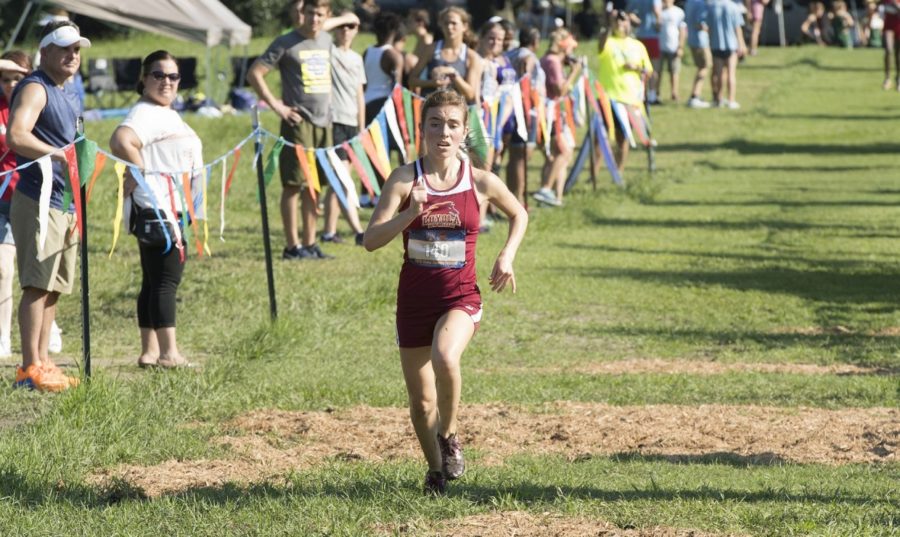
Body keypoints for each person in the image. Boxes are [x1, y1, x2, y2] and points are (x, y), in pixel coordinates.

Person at [363, 89, 527, 496]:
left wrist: (506, 256)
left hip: (460, 297)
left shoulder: (480, 181)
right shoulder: (405, 179)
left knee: (445, 355)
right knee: (421, 404)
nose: (444, 132)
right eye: (435, 123)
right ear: (422, 129)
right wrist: (409, 213)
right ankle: (436, 471)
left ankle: (449, 436)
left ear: (465, 130)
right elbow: (370, 239)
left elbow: (519, 212)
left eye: (453, 124)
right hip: (414, 303)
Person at [6, 20, 88, 391]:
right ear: (45, 52)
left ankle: (44, 363)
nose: (72, 55)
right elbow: (17, 135)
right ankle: (28, 369)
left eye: (77, 50)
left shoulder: (66, 91)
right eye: (65, 48)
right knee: (36, 285)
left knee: (54, 286)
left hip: (66, 202)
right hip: (39, 200)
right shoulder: (36, 87)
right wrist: (56, 156)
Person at [108, 51, 201, 369]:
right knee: (166, 282)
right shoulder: (147, 113)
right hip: (160, 209)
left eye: (173, 76)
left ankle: (149, 352)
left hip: (163, 209)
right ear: (144, 79)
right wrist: (139, 171)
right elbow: (121, 140)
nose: (167, 82)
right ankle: (169, 354)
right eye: (158, 75)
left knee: (152, 280)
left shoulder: (160, 112)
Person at [249, 0, 358, 261]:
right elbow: (255, 73)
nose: (314, 19)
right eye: (310, 13)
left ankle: (310, 244)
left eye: (320, 15)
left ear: (326, 16)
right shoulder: (286, 42)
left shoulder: (326, 38)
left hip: (325, 124)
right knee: (294, 185)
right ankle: (292, 246)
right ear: (302, 13)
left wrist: (338, 19)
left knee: (315, 186)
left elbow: (347, 17)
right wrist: (278, 107)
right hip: (298, 124)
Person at [321, 14, 366, 246]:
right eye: (343, 27)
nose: (346, 30)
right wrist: (341, 18)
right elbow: (320, 28)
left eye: (351, 27)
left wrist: (361, 127)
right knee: (341, 178)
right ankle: (358, 230)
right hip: (335, 120)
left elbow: (360, 95)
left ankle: (329, 231)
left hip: (352, 123)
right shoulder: (329, 50)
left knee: (339, 179)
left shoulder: (357, 59)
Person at [0, 53, 31, 359]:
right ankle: (3, 336)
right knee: (2, 268)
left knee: (33, 269)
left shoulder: (35, 105)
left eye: (17, 78)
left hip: (32, 196)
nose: (10, 84)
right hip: (1, 201)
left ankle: (51, 326)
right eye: (5, 78)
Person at [597, 10, 653, 175]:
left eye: (624, 22)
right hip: (608, 97)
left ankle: (617, 174)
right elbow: (600, 45)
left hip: (629, 100)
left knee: (623, 139)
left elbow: (648, 71)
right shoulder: (608, 42)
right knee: (599, 139)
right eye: (618, 22)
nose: (621, 24)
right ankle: (594, 175)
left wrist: (636, 68)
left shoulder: (638, 45)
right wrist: (610, 23)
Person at [532, 28, 582, 208]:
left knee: (553, 157)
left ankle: (554, 196)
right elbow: (560, 90)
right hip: (550, 113)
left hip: (551, 112)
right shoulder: (552, 61)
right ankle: (545, 189)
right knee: (564, 152)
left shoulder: (549, 59)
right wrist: (574, 71)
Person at [408, 7, 483, 104]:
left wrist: (454, 75)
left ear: (464, 26)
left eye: (453, 23)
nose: (449, 27)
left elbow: (470, 94)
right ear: (441, 25)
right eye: (446, 23)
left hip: (456, 113)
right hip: (431, 110)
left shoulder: (471, 56)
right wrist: (431, 83)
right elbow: (412, 81)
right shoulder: (431, 49)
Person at [506, 27, 545, 206]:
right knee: (522, 156)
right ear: (535, 42)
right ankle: (519, 199)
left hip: (510, 108)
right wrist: (525, 78)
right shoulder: (528, 55)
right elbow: (526, 64)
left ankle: (513, 196)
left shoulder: (509, 53)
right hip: (525, 109)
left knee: (514, 157)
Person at [363, 11, 406, 124]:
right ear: (395, 30)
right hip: (383, 103)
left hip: (366, 101)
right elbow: (397, 87)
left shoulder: (367, 52)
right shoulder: (393, 55)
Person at [707, 0, 747, 109]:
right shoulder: (733, 7)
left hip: (716, 43)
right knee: (731, 73)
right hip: (731, 44)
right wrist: (741, 44)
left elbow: (708, 27)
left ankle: (718, 99)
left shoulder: (711, 6)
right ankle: (731, 100)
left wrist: (710, 42)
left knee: (718, 74)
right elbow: (737, 28)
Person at [626, 0, 663, 103]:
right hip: (652, 36)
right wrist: (659, 25)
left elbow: (629, 13)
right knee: (654, 68)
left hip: (640, 36)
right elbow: (657, 12)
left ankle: (642, 94)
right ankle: (652, 95)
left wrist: (639, 22)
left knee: (641, 68)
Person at [685, 0, 712, 107]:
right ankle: (695, 95)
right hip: (701, 41)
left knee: (702, 66)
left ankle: (696, 95)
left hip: (692, 39)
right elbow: (700, 23)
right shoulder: (701, 4)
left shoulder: (689, 2)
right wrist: (712, 29)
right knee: (704, 66)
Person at [658, 0, 687, 102]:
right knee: (657, 71)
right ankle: (656, 93)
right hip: (659, 46)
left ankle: (674, 93)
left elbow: (683, 30)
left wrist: (680, 46)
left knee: (674, 72)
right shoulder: (658, 10)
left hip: (673, 46)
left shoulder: (679, 12)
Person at [883, 0, 900, 89]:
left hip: (899, 25)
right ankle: (887, 78)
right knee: (888, 50)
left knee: (898, 54)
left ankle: (898, 78)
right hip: (888, 25)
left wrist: (896, 5)